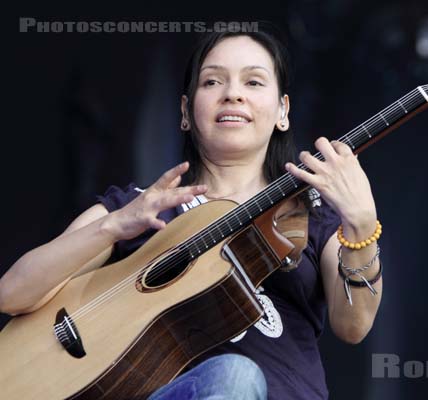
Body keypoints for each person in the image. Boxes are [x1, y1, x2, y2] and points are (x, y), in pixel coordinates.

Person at [0, 29, 383, 400]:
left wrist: (363, 223)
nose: (233, 94)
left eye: (253, 83)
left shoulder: (312, 215)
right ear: (186, 111)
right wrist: (113, 226)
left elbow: (353, 325)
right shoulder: (143, 206)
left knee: (237, 376)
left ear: (283, 111)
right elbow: (13, 294)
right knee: (235, 375)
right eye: (213, 82)